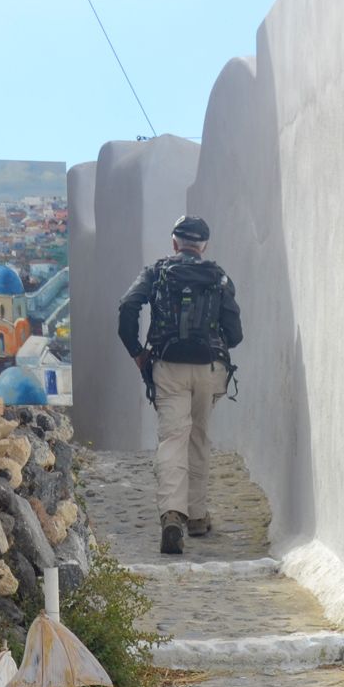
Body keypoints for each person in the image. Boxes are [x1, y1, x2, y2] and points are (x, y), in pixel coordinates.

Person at [117, 216, 244, 554]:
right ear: (204, 246)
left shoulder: (156, 272)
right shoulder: (218, 276)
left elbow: (128, 306)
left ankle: (173, 514)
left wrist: (137, 353)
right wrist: (216, 344)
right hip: (210, 368)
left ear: (174, 243)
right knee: (198, 435)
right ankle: (198, 516)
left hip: (167, 365)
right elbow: (236, 332)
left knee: (173, 437)